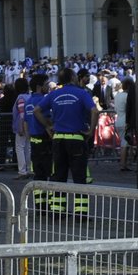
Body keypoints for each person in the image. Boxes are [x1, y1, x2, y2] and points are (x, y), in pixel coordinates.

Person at [37, 68, 97, 207]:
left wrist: (48, 126)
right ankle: (80, 212)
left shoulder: (54, 94)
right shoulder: (81, 93)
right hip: (76, 138)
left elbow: (37, 110)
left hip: (58, 139)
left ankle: (58, 210)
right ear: (72, 78)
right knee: (79, 177)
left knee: (59, 175)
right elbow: (94, 110)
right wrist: (90, 131)